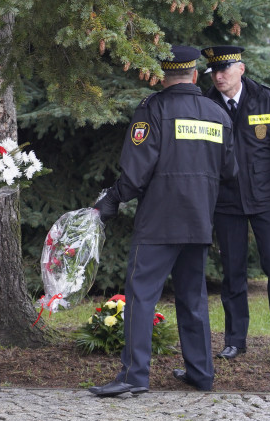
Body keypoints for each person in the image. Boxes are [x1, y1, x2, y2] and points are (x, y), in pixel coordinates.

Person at [90, 46, 237, 397]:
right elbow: (229, 170)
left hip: (159, 220)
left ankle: (134, 375)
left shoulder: (153, 109)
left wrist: (110, 200)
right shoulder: (217, 114)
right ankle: (201, 373)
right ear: (195, 73)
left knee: (141, 296)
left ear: (162, 74)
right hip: (199, 220)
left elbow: (136, 173)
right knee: (193, 298)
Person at [202, 46, 270, 360]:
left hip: (265, 201)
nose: (219, 77)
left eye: (226, 69)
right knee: (233, 272)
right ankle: (235, 340)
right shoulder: (205, 105)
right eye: (215, 71)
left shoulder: (267, 100)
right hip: (226, 202)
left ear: (241, 69)